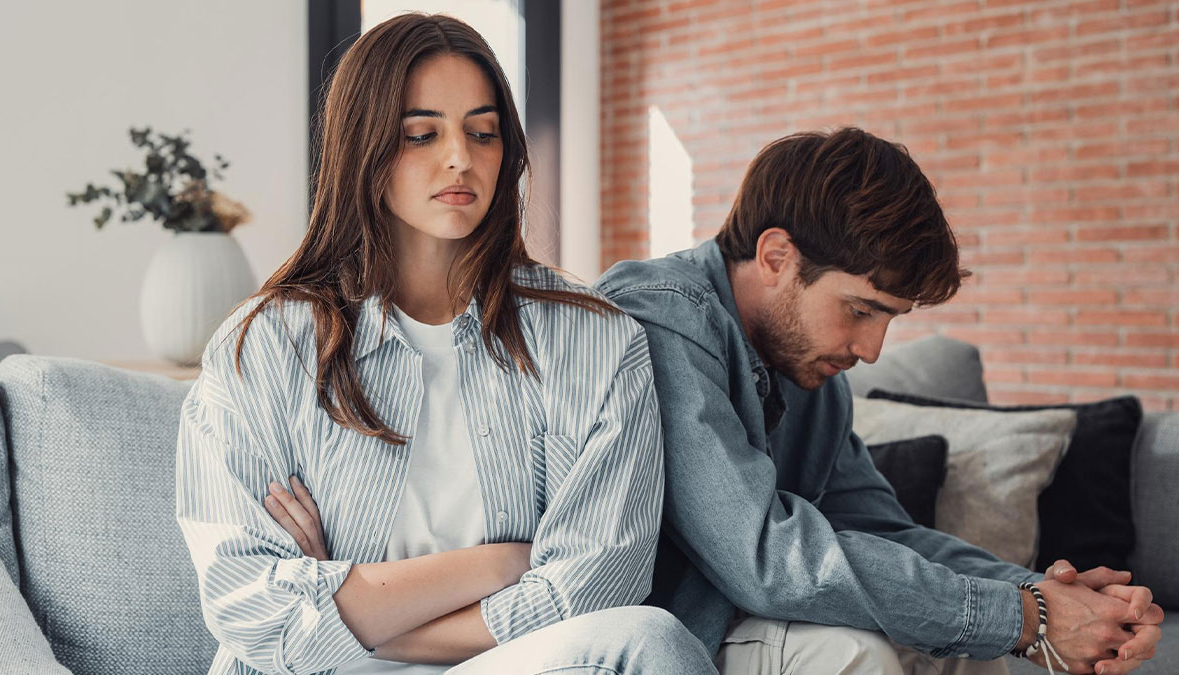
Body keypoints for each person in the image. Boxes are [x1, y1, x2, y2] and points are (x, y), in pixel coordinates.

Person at [175, 13, 714, 675]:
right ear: (363, 145)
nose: (461, 156)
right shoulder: (263, 345)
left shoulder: (597, 339)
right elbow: (252, 609)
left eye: (483, 132)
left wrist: (358, 606)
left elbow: (596, 587)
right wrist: (504, 563)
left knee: (649, 639)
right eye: (421, 134)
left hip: (513, 664)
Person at [594, 127, 1164, 675]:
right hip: (662, 642)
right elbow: (762, 557)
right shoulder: (660, 317)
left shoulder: (811, 376)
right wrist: (1025, 619)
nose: (871, 350)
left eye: (889, 319)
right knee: (855, 651)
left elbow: (883, 532)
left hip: (744, 619)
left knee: (965, 645)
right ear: (775, 257)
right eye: (860, 310)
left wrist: (1042, 596)